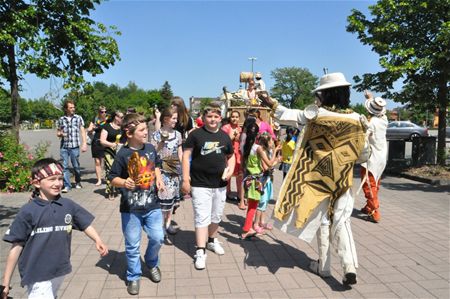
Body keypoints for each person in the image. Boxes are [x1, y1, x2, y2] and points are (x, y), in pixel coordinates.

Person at [260, 72, 368, 286]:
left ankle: (325, 267)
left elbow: (284, 114)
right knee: (342, 221)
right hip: (343, 179)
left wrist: (269, 100)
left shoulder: (315, 115)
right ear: (345, 93)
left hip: (316, 179)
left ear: (324, 94)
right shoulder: (358, 119)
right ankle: (348, 266)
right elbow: (364, 153)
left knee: (324, 222)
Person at [1, 158, 108, 299]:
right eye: (52, 179)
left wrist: (97, 239)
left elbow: (84, 223)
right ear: (37, 183)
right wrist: (6, 282)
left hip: (59, 269)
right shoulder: (28, 211)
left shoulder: (68, 205)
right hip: (37, 272)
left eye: (60, 178)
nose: (57, 183)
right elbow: (16, 247)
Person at [109, 113, 165, 295]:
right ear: (129, 133)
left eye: (145, 129)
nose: (145, 132)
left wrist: (159, 179)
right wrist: (124, 182)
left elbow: (156, 164)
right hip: (130, 209)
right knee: (132, 244)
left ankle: (151, 261)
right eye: (141, 130)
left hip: (152, 205)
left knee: (158, 237)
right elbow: (112, 178)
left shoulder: (149, 148)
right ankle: (133, 275)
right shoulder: (122, 154)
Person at [181, 103, 235, 270]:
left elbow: (231, 156)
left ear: (220, 118)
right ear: (203, 118)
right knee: (202, 217)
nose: (213, 119)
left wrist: (231, 170)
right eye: (209, 116)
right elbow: (186, 156)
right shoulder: (196, 135)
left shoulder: (225, 136)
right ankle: (200, 251)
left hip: (219, 184)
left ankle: (211, 241)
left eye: (216, 116)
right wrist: (185, 180)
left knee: (216, 216)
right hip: (200, 184)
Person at [150, 107, 183, 245]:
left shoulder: (178, 134)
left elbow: (180, 152)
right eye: (174, 118)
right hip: (162, 171)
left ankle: (168, 224)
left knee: (171, 204)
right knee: (164, 202)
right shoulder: (155, 135)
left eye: (176, 118)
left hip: (174, 171)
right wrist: (162, 142)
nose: (176, 121)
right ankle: (161, 228)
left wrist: (182, 168)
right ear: (165, 119)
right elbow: (153, 152)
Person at [241, 125, 280, 239]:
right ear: (257, 135)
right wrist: (275, 153)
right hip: (256, 180)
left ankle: (248, 228)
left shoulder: (246, 146)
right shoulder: (258, 148)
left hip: (249, 179)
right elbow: (268, 164)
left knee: (252, 206)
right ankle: (246, 230)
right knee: (253, 207)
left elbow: (244, 165)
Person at [359, 92, 388, 223]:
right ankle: (368, 205)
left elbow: (365, 137)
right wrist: (370, 98)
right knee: (376, 182)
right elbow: (376, 111)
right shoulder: (384, 119)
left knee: (369, 184)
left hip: (372, 157)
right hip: (382, 156)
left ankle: (374, 211)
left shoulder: (372, 123)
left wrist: (363, 125)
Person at [56, 100, 87, 193]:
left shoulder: (78, 118)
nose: (73, 109)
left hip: (74, 146)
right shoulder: (61, 119)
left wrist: (84, 143)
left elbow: (82, 131)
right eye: (71, 107)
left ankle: (78, 181)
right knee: (64, 166)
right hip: (64, 146)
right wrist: (60, 134)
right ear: (66, 109)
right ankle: (67, 186)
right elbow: (58, 133)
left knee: (76, 166)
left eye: (73, 107)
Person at [221, 110, 243, 208]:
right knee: (228, 173)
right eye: (233, 116)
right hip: (228, 154)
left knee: (239, 175)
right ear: (230, 118)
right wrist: (233, 136)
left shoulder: (240, 128)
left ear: (239, 118)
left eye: (236, 117)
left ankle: (239, 194)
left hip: (238, 154)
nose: (234, 119)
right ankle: (227, 193)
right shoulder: (225, 128)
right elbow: (224, 141)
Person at [99, 110, 124, 200]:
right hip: (109, 152)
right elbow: (102, 141)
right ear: (116, 117)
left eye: (123, 117)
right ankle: (110, 192)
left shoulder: (122, 128)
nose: (122, 119)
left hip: (120, 152)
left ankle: (119, 187)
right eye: (121, 117)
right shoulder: (107, 127)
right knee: (110, 171)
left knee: (121, 171)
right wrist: (112, 144)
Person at [87, 106, 109, 186]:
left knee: (107, 161)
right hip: (96, 141)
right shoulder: (95, 119)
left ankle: (108, 178)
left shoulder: (108, 120)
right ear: (98, 112)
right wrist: (92, 128)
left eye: (105, 111)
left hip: (106, 141)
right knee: (97, 162)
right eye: (102, 112)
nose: (104, 113)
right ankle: (99, 179)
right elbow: (89, 129)